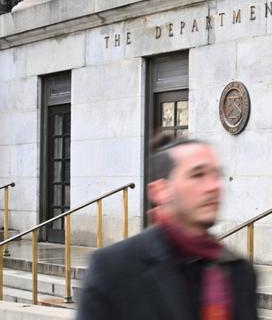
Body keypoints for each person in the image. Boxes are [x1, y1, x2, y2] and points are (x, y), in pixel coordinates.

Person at [77, 136, 259, 320]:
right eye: (197, 175)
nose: (214, 186)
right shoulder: (113, 270)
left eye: (216, 175)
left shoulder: (239, 272)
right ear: (159, 191)